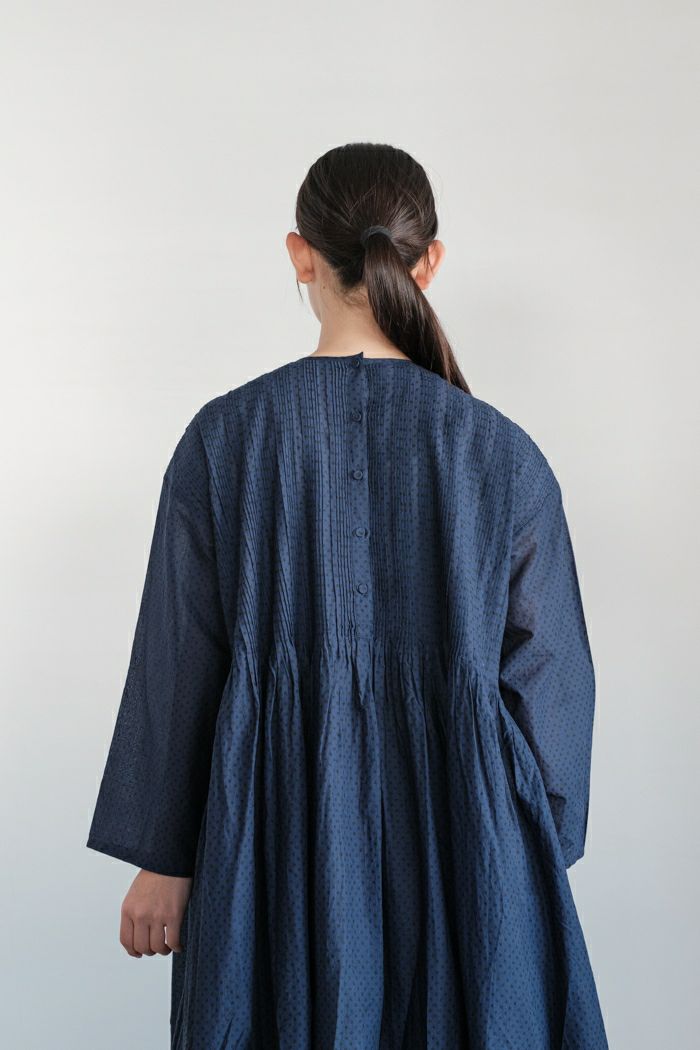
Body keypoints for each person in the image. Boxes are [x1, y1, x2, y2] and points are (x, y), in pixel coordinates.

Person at [86, 141, 609, 1049]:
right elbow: (552, 681)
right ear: (428, 262)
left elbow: (179, 662)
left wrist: (163, 858)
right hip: (467, 850)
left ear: (301, 256)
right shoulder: (503, 456)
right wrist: (525, 851)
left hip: (273, 847)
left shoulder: (224, 441)